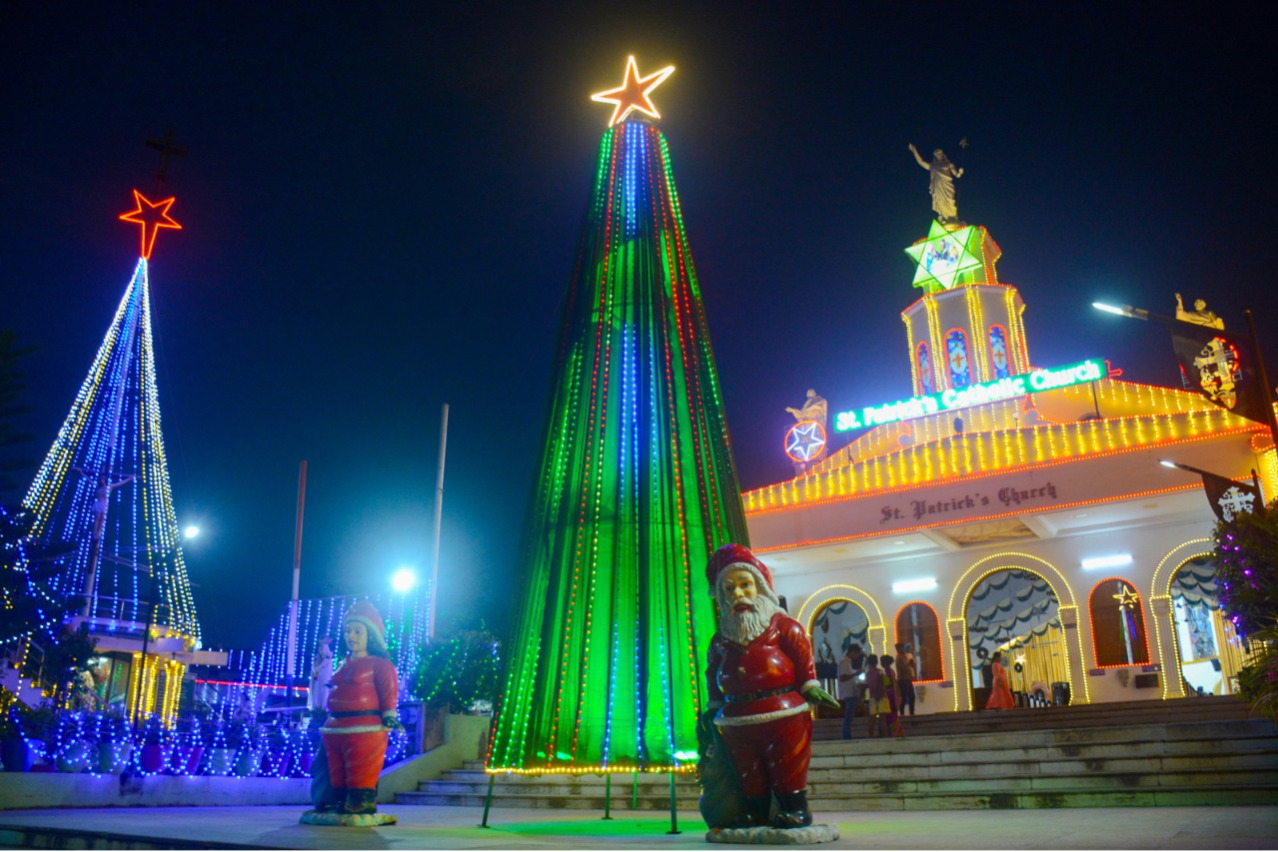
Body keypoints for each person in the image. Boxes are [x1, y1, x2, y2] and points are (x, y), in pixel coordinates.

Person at [703, 543, 840, 830]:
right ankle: (755, 812)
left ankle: (796, 809)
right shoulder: (720, 639)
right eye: (729, 588)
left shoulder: (785, 627)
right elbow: (712, 672)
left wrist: (810, 687)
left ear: (760, 587)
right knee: (747, 768)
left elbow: (803, 659)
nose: (738, 594)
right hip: (737, 716)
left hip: (782, 712)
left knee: (787, 763)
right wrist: (713, 706)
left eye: (745, 585)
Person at [309, 602, 402, 819]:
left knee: (360, 768)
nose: (351, 636)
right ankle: (338, 800)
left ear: (371, 634)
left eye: (357, 631)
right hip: (335, 727)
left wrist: (389, 715)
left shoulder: (381, 665)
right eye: (348, 631)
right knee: (336, 769)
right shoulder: (343, 662)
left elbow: (389, 691)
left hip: (364, 728)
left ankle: (361, 802)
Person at [908, 143, 964, 225]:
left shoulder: (949, 164)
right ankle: (943, 217)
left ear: (943, 154)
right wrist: (914, 151)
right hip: (938, 186)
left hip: (947, 186)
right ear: (935, 156)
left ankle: (952, 218)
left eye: (940, 153)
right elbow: (921, 162)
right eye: (937, 154)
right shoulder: (933, 165)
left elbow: (957, 175)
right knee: (940, 201)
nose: (939, 155)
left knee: (950, 201)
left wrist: (960, 172)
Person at [837, 643, 866, 740]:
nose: (857, 657)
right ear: (852, 652)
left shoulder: (848, 662)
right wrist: (855, 673)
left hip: (851, 692)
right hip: (848, 693)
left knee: (850, 716)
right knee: (848, 716)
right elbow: (843, 677)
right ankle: (846, 736)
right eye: (857, 654)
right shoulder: (844, 662)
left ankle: (847, 735)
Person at [880, 654, 905, 738]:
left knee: (890, 715)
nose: (881, 663)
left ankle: (894, 733)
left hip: (889, 695)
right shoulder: (890, 671)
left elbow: (891, 684)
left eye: (882, 662)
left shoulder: (887, 672)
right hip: (890, 694)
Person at [308, 636, 334, 715]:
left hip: (323, 680)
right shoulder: (317, 657)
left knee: (323, 692)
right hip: (317, 679)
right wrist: (315, 669)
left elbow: (322, 666)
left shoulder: (328, 658)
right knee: (316, 692)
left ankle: (322, 708)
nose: (321, 650)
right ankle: (316, 707)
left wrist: (317, 668)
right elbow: (314, 666)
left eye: (322, 648)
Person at [864, 654, 886, 737]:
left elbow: (867, 685)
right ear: (877, 662)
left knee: (872, 719)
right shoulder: (881, 672)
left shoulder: (868, 674)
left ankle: (871, 737)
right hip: (882, 696)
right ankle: (886, 737)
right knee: (883, 720)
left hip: (873, 697)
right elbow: (885, 683)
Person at [895, 642, 917, 716]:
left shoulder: (904, 657)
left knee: (912, 697)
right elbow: (905, 668)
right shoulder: (899, 658)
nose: (904, 650)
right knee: (903, 698)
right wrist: (909, 663)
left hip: (907, 679)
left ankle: (911, 713)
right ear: (899, 649)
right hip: (903, 680)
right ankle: (902, 713)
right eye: (902, 648)